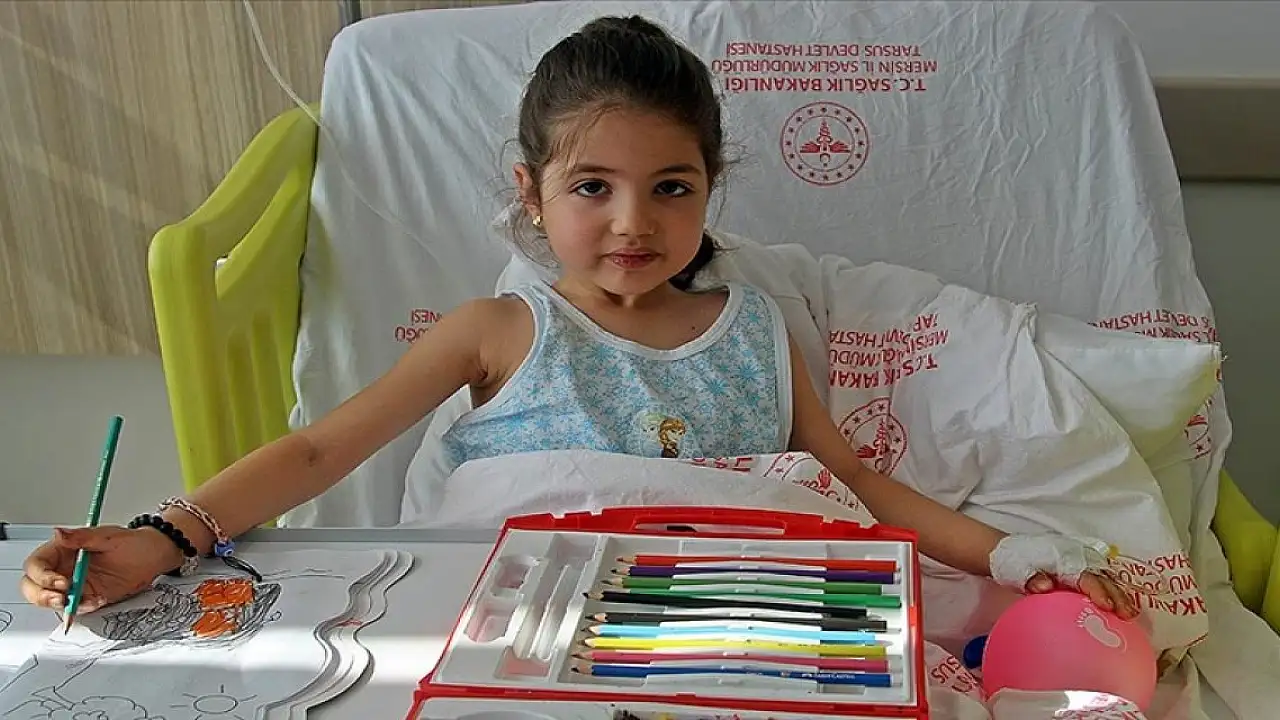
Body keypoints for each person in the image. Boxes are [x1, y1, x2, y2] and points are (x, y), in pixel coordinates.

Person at [19, 15, 1135, 621]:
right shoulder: (495, 332)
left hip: (732, 621)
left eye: (671, 187)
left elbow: (852, 488)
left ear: (710, 190)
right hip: (533, 625)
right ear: (531, 192)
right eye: (591, 186)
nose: (632, 222)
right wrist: (160, 536)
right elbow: (317, 451)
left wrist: (1019, 554)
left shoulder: (755, 330)